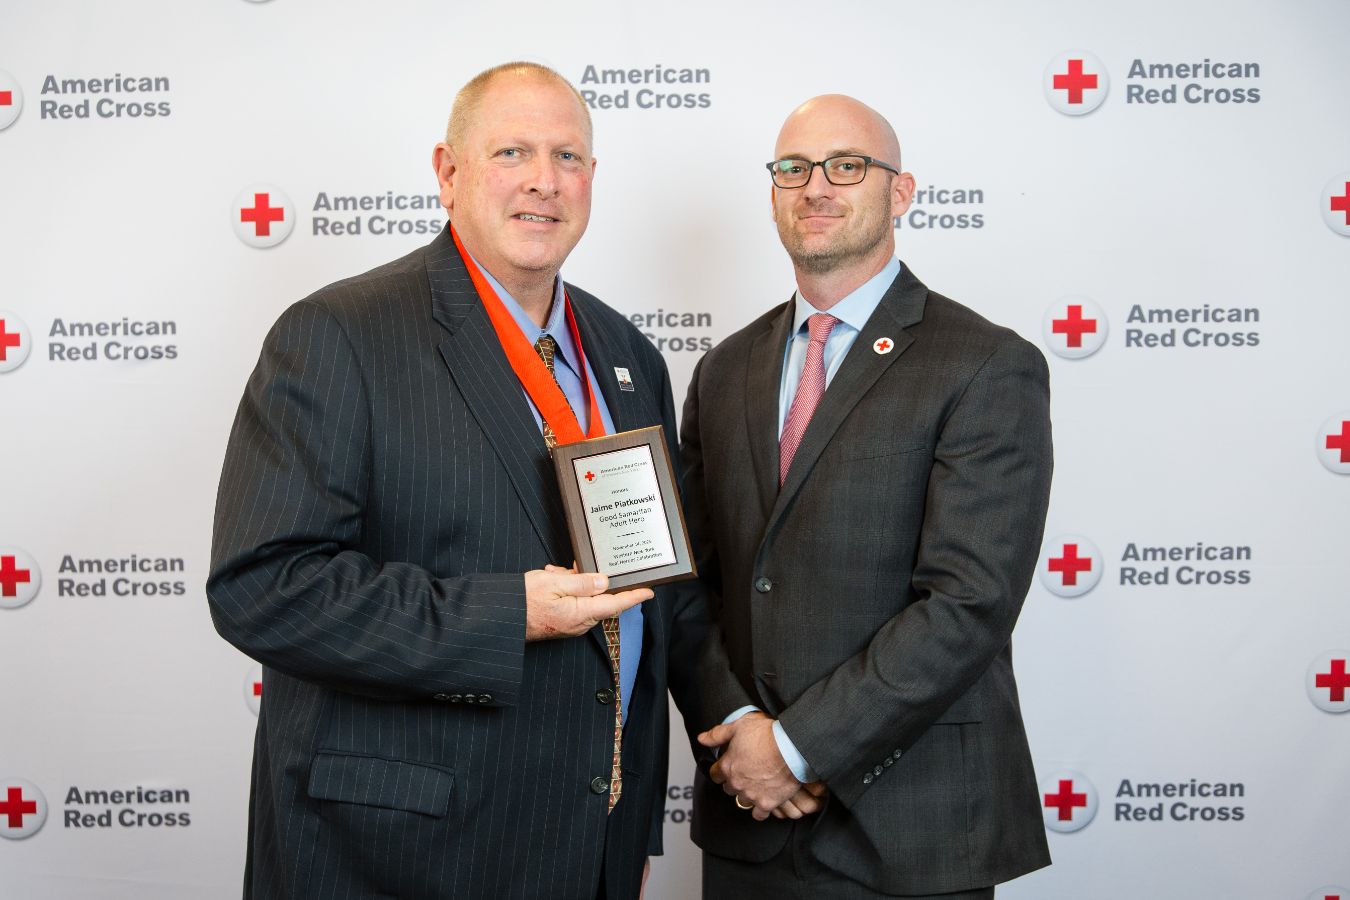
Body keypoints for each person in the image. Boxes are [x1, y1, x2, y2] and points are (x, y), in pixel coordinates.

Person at [208, 61, 701, 900]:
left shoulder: (627, 356)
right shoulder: (340, 334)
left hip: (586, 839)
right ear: (448, 172)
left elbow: (656, 593)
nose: (545, 181)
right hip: (398, 851)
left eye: (569, 157)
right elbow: (263, 587)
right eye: (512, 152)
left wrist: (627, 824)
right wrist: (511, 614)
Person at [679, 94, 1054, 898]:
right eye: (793, 168)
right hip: (749, 828)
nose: (817, 186)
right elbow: (690, 584)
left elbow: (969, 602)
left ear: (901, 191)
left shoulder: (985, 364)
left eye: (847, 165)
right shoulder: (723, 371)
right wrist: (744, 732)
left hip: (910, 833)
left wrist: (799, 747)